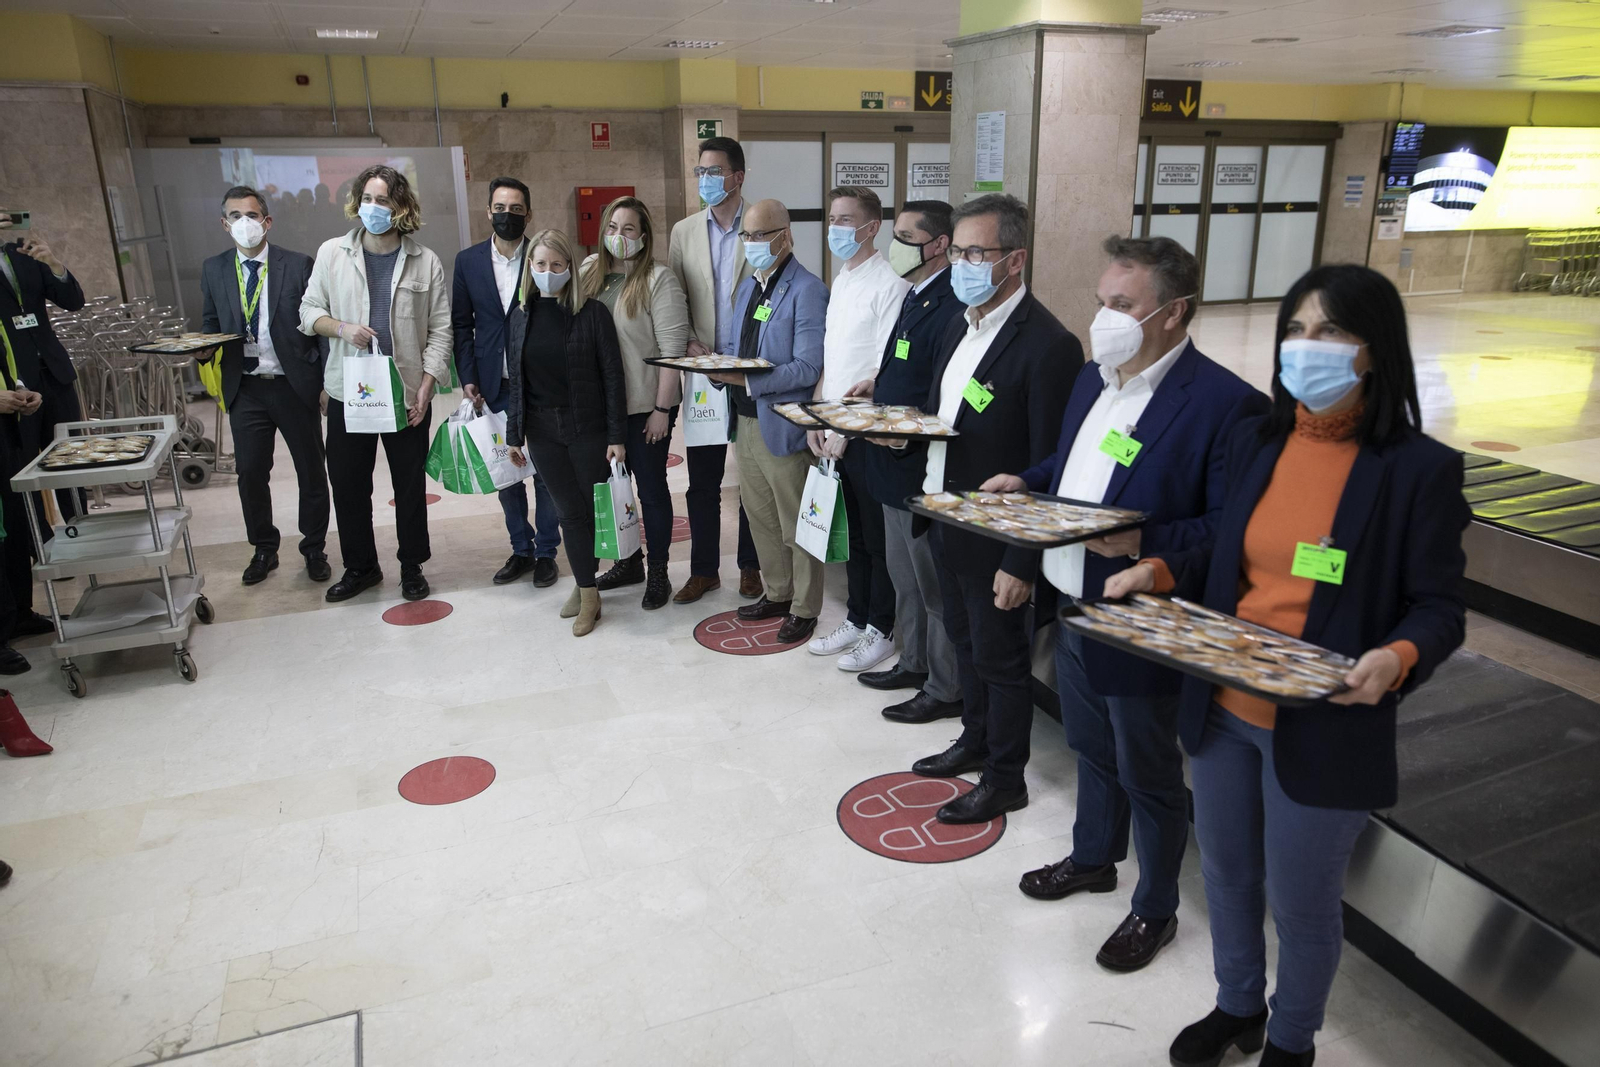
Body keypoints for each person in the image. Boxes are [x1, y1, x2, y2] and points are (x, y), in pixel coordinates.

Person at [1104, 265, 1469, 1067]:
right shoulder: (1259, 438)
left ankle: (1293, 1039)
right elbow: (1220, 544)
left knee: (1303, 905)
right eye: (1297, 331)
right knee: (1229, 878)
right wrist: (1158, 570)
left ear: (1375, 350)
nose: (1309, 348)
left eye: (1332, 332)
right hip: (1226, 703)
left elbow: (1440, 607)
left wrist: (1396, 657)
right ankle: (1237, 1002)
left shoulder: (1418, 469)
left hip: (1326, 720)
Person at [984, 236, 1268, 974]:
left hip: (1143, 616)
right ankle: (1093, 856)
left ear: (1173, 313)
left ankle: (1155, 905)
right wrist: (1029, 477)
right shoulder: (1094, 378)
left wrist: (1147, 540)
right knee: (1089, 746)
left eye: (1123, 305)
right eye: (1102, 301)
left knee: (1147, 768)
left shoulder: (1225, 405)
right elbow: (1072, 463)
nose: (1105, 317)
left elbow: (1229, 529)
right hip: (1074, 595)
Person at [902, 193, 1080, 825]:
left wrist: (1021, 560)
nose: (962, 262)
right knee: (965, 639)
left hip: (998, 534)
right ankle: (973, 739)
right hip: (946, 516)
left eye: (977, 252)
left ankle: (1006, 777)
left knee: (1002, 661)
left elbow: (1049, 465)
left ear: (1015, 260)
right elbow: (944, 414)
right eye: (957, 250)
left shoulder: (1049, 345)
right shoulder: (959, 320)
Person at [299, 164, 450, 604]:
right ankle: (361, 566)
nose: (372, 208)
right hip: (350, 394)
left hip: (405, 395)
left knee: (408, 487)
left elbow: (440, 331)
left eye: (382, 200)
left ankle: (411, 566)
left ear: (400, 207)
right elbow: (308, 313)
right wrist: (342, 329)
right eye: (366, 198)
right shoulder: (332, 254)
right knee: (348, 485)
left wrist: (426, 387)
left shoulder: (426, 261)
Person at [849, 201, 966, 723]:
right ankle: (914, 662)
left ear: (938, 244)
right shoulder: (914, 295)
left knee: (932, 586)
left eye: (904, 235)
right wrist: (878, 385)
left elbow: (942, 390)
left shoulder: (951, 305)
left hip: (917, 462)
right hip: (889, 461)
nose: (895, 246)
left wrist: (900, 432)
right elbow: (904, 364)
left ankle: (944, 687)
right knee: (904, 577)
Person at [702, 199, 828, 645]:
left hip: (784, 424)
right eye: (747, 236)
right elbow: (741, 350)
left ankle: (805, 607)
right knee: (760, 519)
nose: (752, 243)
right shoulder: (747, 288)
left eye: (761, 235)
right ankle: (777, 593)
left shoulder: (807, 289)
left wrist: (748, 381)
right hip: (745, 422)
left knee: (797, 522)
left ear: (785, 235)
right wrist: (717, 368)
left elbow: (808, 367)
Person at [199, 185, 332, 586]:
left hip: (294, 384)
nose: (245, 223)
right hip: (245, 387)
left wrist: (325, 381)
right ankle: (264, 548)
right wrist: (203, 349)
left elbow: (319, 327)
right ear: (225, 224)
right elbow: (209, 322)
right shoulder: (214, 268)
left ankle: (314, 548)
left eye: (252, 215)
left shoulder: (297, 264)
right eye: (236, 216)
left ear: (267, 221)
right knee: (251, 472)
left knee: (311, 470)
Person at [804, 186, 909, 673]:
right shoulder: (844, 277)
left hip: (866, 434)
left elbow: (878, 370)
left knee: (874, 538)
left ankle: (882, 628)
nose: (836, 229)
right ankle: (857, 616)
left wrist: (846, 430)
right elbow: (833, 355)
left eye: (846, 221)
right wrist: (816, 415)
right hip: (832, 428)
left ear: (872, 227)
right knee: (849, 536)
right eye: (832, 219)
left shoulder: (891, 284)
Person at [504, 228, 627, 636]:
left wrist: (616, 435)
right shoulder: (519, 315)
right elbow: (516, 382)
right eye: (540, 264)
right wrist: (513, 435)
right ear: (530, 268)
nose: (548, 271)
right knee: (566, 512)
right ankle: (585, 586)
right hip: (541, 429)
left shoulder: (592, 314)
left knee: (587, 511)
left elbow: (613, 377)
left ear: (570, 269)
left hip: (586, 426)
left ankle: (587, 590)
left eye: (557, 264)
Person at [451, 176, 563, 589]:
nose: (507, 216)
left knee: (546, 472)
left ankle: (548, 551)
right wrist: (467, 379)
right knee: (507, 473)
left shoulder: (542, 257)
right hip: (491, 385)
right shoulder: (467, 262)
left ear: (528, 215)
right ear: (488, 212)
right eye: (500, 208)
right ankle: (522, 548)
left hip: (537, 384)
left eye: (516, 210)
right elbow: (462, 326)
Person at [666, 136, 762, 605]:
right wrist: (686, 339)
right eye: (700, 171)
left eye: (714, 171)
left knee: (751, 475)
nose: (705, 180)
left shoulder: (762, 226)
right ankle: (703, 570)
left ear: (737, 177)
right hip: (703, 373)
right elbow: (675, 296)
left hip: (747, 372)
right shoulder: (683, 231)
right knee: (702, 478)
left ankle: (751, 565)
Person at [582, 197, 690, 609]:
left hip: (646, 406)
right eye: (612, 227)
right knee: (612, 490)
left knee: (651, 490)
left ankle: (658, 570)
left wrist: (662, 410)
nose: (619, 236)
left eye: (628, 229)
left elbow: (671, 350)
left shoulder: (659, 279)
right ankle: (628, 562)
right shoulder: (590, 271)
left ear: (643, 237)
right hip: (600, 408)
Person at [0, 212, 86, 527]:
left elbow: (73, 300)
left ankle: (81, 528)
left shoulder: (22, 251)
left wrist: (54, 264)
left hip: (54, 370)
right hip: (13, 381)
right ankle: (43, 543)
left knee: (70, 456)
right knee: (25, 466)